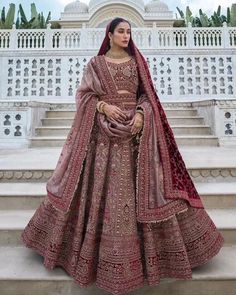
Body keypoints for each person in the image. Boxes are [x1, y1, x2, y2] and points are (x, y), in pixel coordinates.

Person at [21, 17, 224, 295]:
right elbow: (84, 97)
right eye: (121, 31)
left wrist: (142, 114)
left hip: (136, 140)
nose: (126, 36)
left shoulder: (138, 63)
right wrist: (102, 106)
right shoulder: (96, 64)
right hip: (102, 141)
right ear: (110, 34)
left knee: (144, 193)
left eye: (129, 31)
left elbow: (147, 96)